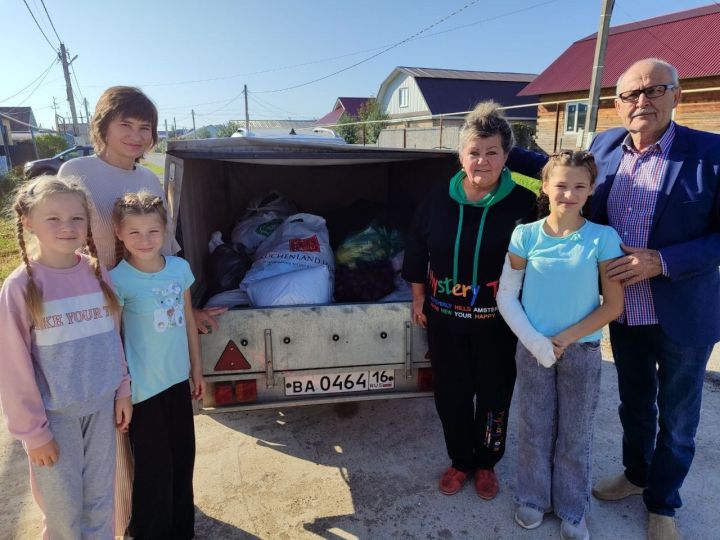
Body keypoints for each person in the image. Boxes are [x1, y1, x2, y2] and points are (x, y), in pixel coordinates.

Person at [508, 58, 720, 540]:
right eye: (630, 94)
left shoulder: (711, 153)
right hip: (620, 310)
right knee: (635, 404)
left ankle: (663, 504)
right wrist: (494, 151)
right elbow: (555, 172)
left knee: (680, 416)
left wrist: (661, 261)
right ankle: (636, 474)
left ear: (676, 95)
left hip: (682, 310)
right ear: (617, 103)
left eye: (654, 90)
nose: (641, 101)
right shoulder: (604, 146)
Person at [57, 85, 223, 535]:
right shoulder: (77, 171)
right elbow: (61, 237)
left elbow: (167, 254)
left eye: (144, 127)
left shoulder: (148, 179)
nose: (135, 135)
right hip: (98, 311)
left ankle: (156, 516)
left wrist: (192, 310)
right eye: (125, 124)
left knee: (152, 434)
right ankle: (123, 521)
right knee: (114, 432)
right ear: (103, 127)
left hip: (149, 314)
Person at [402, 101, 537, 499]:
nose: (482, 161)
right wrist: (417, 296)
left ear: (506, 157)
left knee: (495, 396)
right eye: (474, 152)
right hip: (445, 319)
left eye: (492, 152)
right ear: (461, 156)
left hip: (498, 323)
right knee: (451, 393)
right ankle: (461, 460)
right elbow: (416, 245)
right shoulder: (436, 198)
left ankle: (487, 462)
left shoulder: (524, 206)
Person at [497, 151, 624, 540]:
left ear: (591, 190)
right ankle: (534, 499)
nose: (569, 193)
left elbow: (613, 305)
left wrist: (565, 339)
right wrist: (537, 343)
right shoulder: (526, 235)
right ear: (545, 186)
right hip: (534, 351)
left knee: (575, 433)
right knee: (534, 428)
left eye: (579, 186)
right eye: (561, 185)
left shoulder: (603, 238)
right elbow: (506, 296)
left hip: (580, 352)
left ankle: (573, 508)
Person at [0, 176, 132, 539]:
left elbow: (112, 338)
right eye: (53, 218)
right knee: (63, 515)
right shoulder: (20, 287)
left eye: (77, 218)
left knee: (100, 506)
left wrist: (122, 390)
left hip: (102, 411)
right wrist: (33, 434)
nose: (67, 227)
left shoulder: (96, 271)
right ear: (28, 221)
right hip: (54, 422)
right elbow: (12, 370)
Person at [110, 191, 205, 539]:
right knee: (154, 472)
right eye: (134, 232)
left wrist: (197, 369)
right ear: (119, 233)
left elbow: (188, 323)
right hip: (143, 392)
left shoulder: (180, 269)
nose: (145, 240)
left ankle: (182, 531)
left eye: (153, 231)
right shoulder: (117, 280)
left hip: (178, 382)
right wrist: (122, 392)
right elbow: (113, 340)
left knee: (183, 462)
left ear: (165, 231)